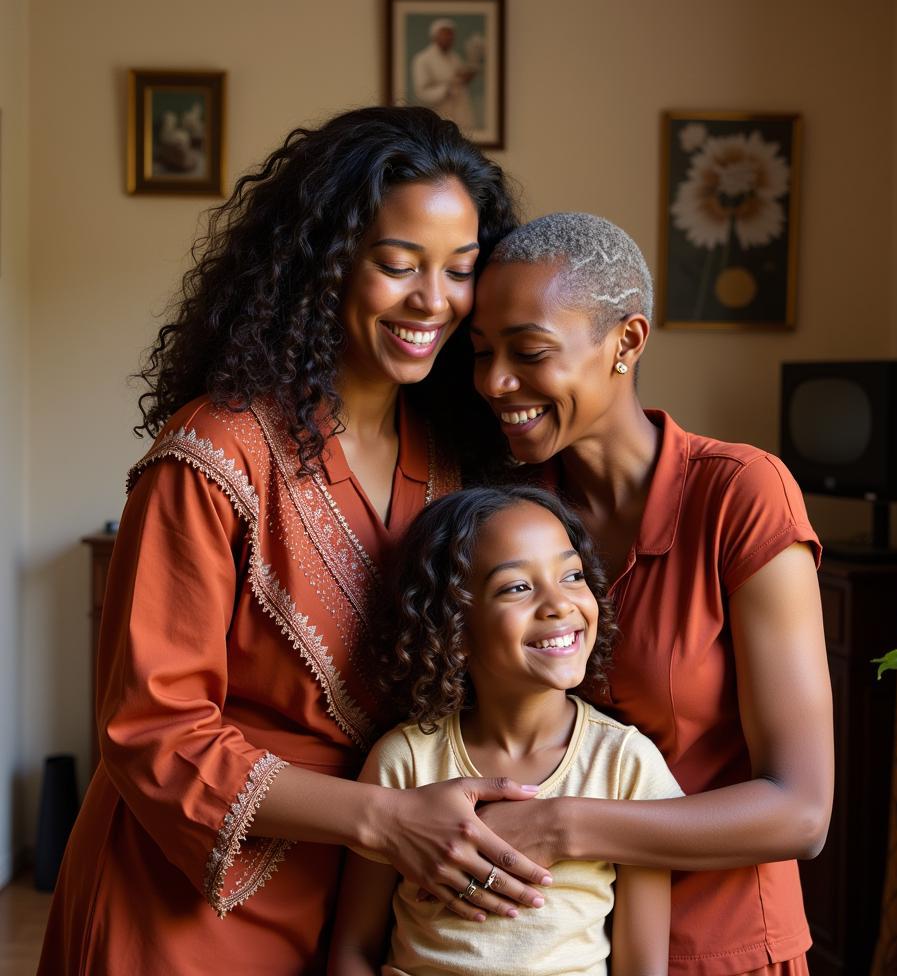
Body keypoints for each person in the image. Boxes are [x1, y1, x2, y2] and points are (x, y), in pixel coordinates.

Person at [38, 107, 555, 975]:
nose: (433, 301)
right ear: (326, 264)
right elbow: (150, 730)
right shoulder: (213, 453)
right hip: (189, 895)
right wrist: (386, 818)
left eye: (460, 271)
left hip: (367, 899)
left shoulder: (461, 460)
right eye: (398, 265)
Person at [468, 213, 834, 976]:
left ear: (627, 343)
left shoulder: (741, 495)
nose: (494, 382)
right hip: (548, 949)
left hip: (718, 948)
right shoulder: (509, 512)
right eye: (481, 354)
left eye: (528, 353)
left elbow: (801, 811)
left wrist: (566, 827)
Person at [329, 486, 683, 976]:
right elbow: (353, 949)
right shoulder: (404, 760)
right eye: (517, 587)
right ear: (454, 625)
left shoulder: (625, 763)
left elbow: (644, 966)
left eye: (572, 575)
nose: (559, 604)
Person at [411, 18, 478, 131]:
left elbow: (459, 81)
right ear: (435, 36)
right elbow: (421, 92)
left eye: (451, 35)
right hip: (437, 115)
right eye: (445, 35)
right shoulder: (423, 59)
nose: (449, 38)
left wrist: (465, 78)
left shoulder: (455, 58)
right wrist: (447, 89)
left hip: (459, 114)